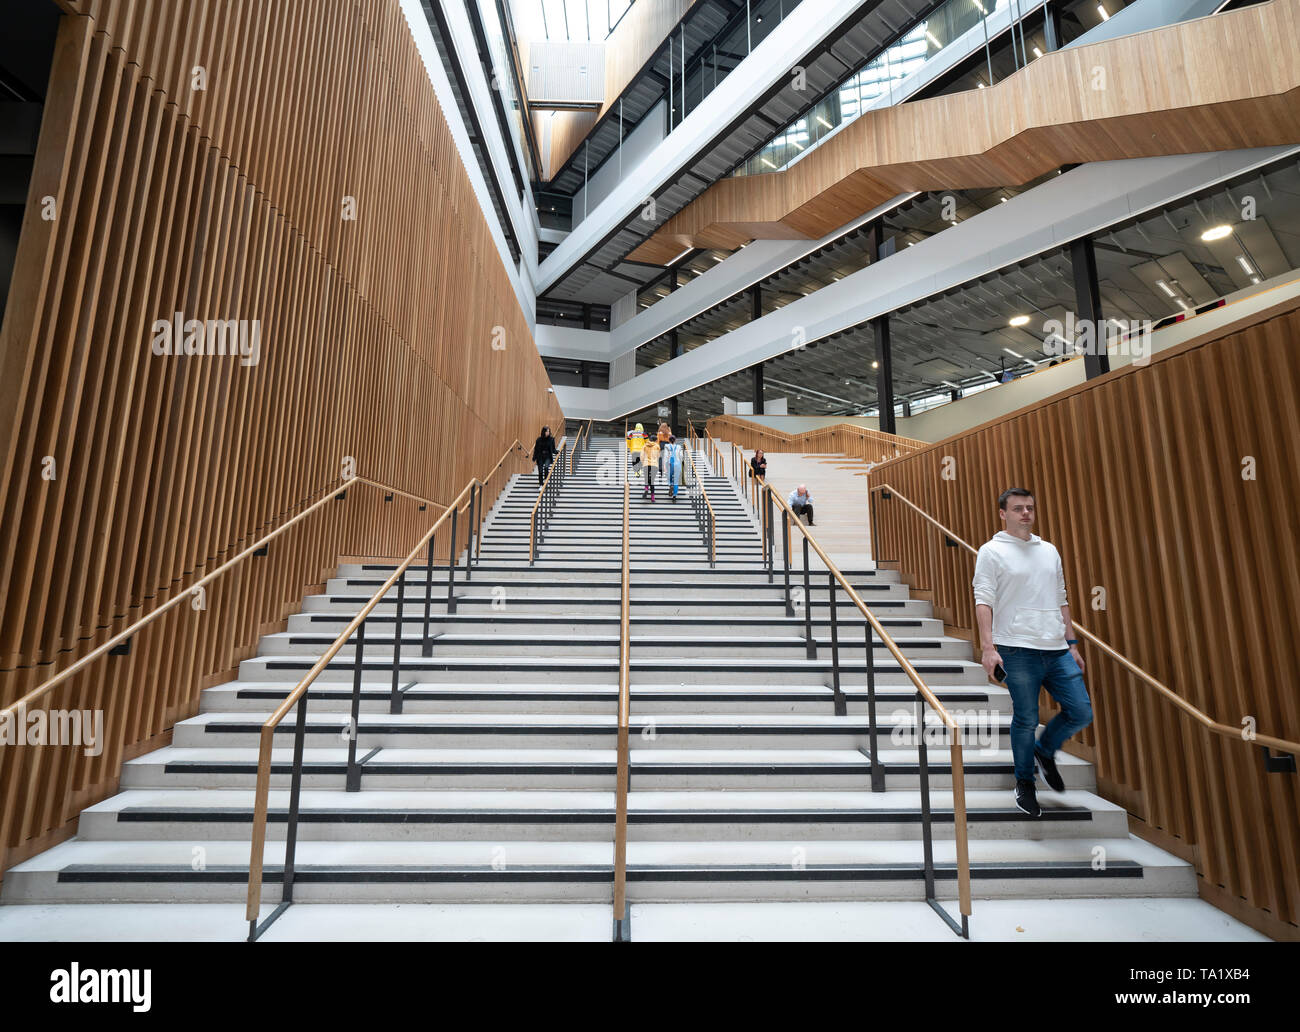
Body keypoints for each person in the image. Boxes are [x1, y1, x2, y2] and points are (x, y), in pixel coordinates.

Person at [972, 487, 1092, 819]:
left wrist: (1072, 644)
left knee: (1081, 711)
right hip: (1016, 648)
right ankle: (1025, 783)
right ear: (1003, 514)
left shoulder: (1049, 550)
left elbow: (1060, 597)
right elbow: (984, 600)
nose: (1025, 513)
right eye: (1018, 509)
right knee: (1025, 719)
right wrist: (988, 648)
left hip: (1056, 650)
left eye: (1030, 508)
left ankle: (1044, 750)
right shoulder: (991, 551)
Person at [663, 434, 684, 501]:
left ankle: (670, 485)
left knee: (669, 478)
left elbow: (666, 456)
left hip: (670, 464)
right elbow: (681, 456)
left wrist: (664, 465)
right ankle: (674, 495)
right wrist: (680, 462)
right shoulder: (679, 447)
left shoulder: (666, 446)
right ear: (675, 440)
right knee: (676, 481)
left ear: (669, 440)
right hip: (677, 464)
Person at [641, 436, 660, 500]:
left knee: (646, 478)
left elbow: (642, 455)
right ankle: (652, 497)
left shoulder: (645, 446)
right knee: (652, 481)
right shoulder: (657, 446)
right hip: (654, 464)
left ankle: (646, 488)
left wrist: (643, 462)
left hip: (646, 464)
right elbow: (658, 456)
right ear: (655, 440)